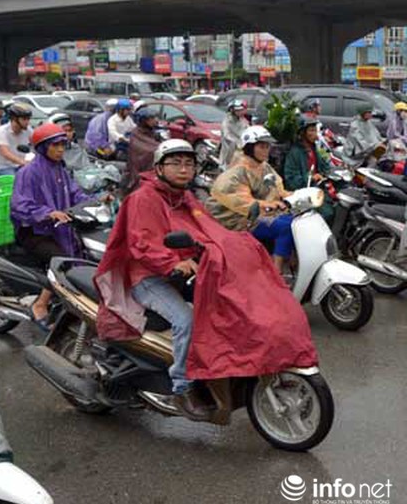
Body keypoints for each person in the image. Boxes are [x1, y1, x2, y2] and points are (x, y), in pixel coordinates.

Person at [93, 139, 316, 421]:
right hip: (148, 277)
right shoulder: (143, 199)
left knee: (229, 303)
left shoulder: (185, 198)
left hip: (182, 271)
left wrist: (239, 247)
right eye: (175, 163)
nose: (184, 169)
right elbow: (142, 244)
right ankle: (182, 386)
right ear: (159, 168)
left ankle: (228, 365)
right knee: (187, 320)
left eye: (189, 163)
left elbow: (211, 229)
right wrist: (174, 261)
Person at [11, 123, 90, 325]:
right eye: (55, 146)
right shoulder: (28, 172)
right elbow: (20, 205)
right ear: (43, 148)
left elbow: (75, 193)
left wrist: (95, 200)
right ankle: (40, 304)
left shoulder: (60, 169)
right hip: (34, 231)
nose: (61, 150)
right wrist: (48, 213)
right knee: (62, 261)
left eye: (63, 145)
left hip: (58, 228)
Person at [206, 126, 294, 275]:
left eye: (267, 146)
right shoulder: (237, 171)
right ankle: (276, 271)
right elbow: (241, 201)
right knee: (284, 228)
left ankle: (291, 262)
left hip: (260, 212)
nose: (266, 150)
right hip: (237, 219)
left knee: (294, 221)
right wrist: (269, 204)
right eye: (261, 146)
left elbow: (277, 188)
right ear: (249, 147)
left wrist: (294, 196)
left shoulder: (263, 166)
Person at [0, 102, 33, 176]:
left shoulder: (29, 130)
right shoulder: (1, 132)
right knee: (16, 182)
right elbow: (6, 153)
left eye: (28, 119)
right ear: (14, 119)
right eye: (24, 119)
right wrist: (24, 162)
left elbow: (36, 145)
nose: (27, 122)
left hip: (21, 166)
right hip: (4, 168)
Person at [126, 106, 161, 192]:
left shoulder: (151, 131)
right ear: (143, 120)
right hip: (140, 171)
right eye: (152, 118)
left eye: (156, 117)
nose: (156, 120)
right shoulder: (136, 133)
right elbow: (146, 149)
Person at [344, 103, 385, 167]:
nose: (371, 114)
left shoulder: (368, 122)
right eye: (368, 112)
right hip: (356, 154)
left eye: (371, 112)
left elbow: (376, 134)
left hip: (367, 151)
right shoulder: (355, 125)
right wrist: (373, 147)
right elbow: (360, 141)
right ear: (363, 113)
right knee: (372, 161)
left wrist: (382, 141)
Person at [218, 99, 250, 169]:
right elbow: (227, 135)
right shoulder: (227, 121)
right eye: (238, 110)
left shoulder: (243, 120)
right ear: (232, 110)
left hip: (241, 147)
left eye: (241, 110)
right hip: (229, 147)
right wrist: (236, 142)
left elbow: (248, 131)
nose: (240, 112)